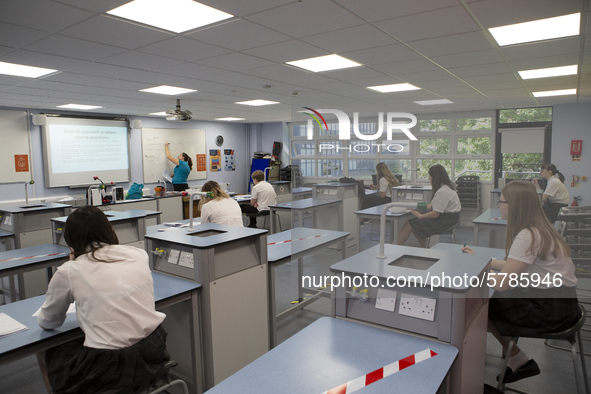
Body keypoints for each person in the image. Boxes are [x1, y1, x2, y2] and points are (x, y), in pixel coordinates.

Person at [36, 206, 168, 394]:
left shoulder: (70, 270)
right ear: (109, 229)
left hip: (108, 365)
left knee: (44, 350)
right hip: (154, 350)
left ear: (71, 240)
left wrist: (73, 262)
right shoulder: (138, 254)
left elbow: (49, 321)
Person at [462, 181, 578, 384]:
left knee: (482, 305)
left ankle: (516, 359)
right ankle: (516, 358)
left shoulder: (528, 235)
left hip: (552, 310)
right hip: (564, 303)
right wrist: (484, 262)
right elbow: (515, 264)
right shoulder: (539, 229)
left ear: (515, 205)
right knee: (490, 303)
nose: (499, 204)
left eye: (502, 201)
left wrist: (473, 273)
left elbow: (502, 284)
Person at [397, 164, 461, 247]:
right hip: (448, 219)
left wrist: (420, 215)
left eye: (429, 176)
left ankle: (394, 245)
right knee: (414, 225)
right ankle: (425, 248)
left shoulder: (443, 191)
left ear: (435, 177)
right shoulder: (446, 188)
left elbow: (435, 213)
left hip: (444, 222)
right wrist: (415, 206)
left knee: (410, 224)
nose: (428, 178)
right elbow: (432, 206)